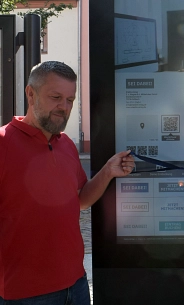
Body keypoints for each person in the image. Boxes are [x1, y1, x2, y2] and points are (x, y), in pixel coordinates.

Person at [0, 61, 135, 304]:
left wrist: (107, 171)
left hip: (77, 285)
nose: (64, 107)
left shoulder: (66, 144)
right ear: (31, 94)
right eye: (55, 97)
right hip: (24, 294)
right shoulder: (3, 143)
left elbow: (81, 200)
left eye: (70, 100)